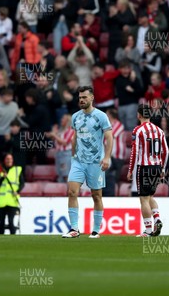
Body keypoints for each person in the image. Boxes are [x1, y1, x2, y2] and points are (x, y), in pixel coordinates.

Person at [62, 86, 112, 239]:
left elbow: (109, 137)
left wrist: (107, 157)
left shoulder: (101, 116)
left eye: (84, 97)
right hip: (78, 161)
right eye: (80, 98)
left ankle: (96, 230)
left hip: (96, 162)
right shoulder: (76, 116)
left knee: (96, 196)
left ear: (92, 98)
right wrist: (72, 156)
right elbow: (74, 137)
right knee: (72, 192)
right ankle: (74, 229)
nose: (82, 100)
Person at [127, 103, 169, 237]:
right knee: (150, 196)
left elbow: (135, 152)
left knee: (144, 199)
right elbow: (166, 151)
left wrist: (130, 170)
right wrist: (162, 168)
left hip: (144, 167)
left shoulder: (138, 130)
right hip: (157, 167)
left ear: (139, 115)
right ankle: (157, 219)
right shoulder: (159, 130)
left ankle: (148, 230)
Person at [0, 153, 24, 235]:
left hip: (12, 201)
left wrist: (17, 191)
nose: (9, 160)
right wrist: (3, 177)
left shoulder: (18, 170)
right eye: (7, 159)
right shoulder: (0, 171)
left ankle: (12, 240)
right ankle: (1, 240)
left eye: (10, 159)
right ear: (4, 160)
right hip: (2, 202)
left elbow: (22, 183)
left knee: (11, 221)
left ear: (13, 160)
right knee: (1, 223)